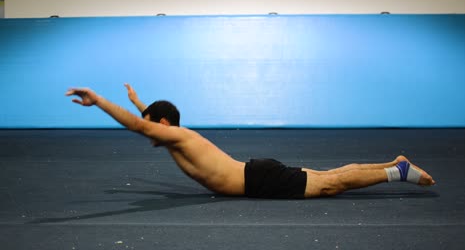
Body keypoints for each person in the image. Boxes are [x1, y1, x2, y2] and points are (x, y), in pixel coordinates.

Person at [66, 84, 435, 199]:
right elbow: (148, 117)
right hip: (256, 174)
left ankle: (397, 173)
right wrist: (136, 100)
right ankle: (393, 163)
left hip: (259, 180)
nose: (150, 135)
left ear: (163, 124)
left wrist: (99, 102)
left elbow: (140, 126)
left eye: (153, 126)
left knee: (331, 185)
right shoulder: (178, 134)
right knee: (330, 175)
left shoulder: (175, 135)